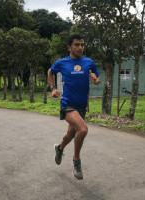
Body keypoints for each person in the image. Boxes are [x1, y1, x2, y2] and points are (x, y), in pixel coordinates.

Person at [48, 33, 101, 180]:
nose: (80, 47)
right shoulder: (62, 63)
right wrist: (53, 88)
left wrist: (95, 79)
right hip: (68, 105)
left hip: (82, 106)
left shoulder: (89, 62)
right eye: (77, 45)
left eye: (82, 45)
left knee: (71, 135)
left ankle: (59, 148)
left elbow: (97, 79)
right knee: (83, 130)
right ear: (69, 47)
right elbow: (50, 72)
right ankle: (76, 160)